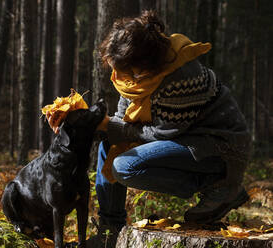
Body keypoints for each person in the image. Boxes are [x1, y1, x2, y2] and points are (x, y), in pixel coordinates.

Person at [48, 10, 251, 248]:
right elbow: (125, 121)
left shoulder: (181, 75)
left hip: (218, 148)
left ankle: (220, 186)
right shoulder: (138, 76)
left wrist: (110, 127)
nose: (118, 76)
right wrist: (83, 123)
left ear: (142, 63)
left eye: (123, 70)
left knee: (124, 166)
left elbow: (164, 132)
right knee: (109, 145)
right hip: (187, 139)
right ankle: (110, 231)